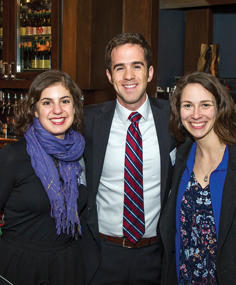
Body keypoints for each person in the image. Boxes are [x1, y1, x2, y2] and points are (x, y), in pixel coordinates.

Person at [80, 32, 177, 284]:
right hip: (101, 255)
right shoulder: (87, 121)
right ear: (109, 76)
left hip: (156, 257)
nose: (129, 76)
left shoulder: (174, 119)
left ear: (150, 72)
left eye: (137, 66)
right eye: (119, 68)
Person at [158, 70, 236, 285]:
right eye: (187, 105)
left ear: (220, 108)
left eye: (205, 105)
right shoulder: (181, 157)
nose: (196, 114)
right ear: (178, 112)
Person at [0, 70, 87, 285]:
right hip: (19, 266)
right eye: (47, 102)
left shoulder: (81, 155)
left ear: (74, 107)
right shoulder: (12, 157)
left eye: (65, 101)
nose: (57, 110)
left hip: (68, 265)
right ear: (35, 110)